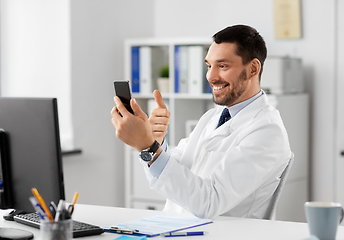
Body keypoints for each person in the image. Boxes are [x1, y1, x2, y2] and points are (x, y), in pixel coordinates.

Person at [111, 24, 292, 219]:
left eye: (222, 66)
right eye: (208, 66)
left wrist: (147, 146)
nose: (211, 77)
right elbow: (172, 169)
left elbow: (209, 202)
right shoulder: (213, 117)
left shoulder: (267, 131)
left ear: (253, 68)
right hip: (173, 229)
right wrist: (155, 142)